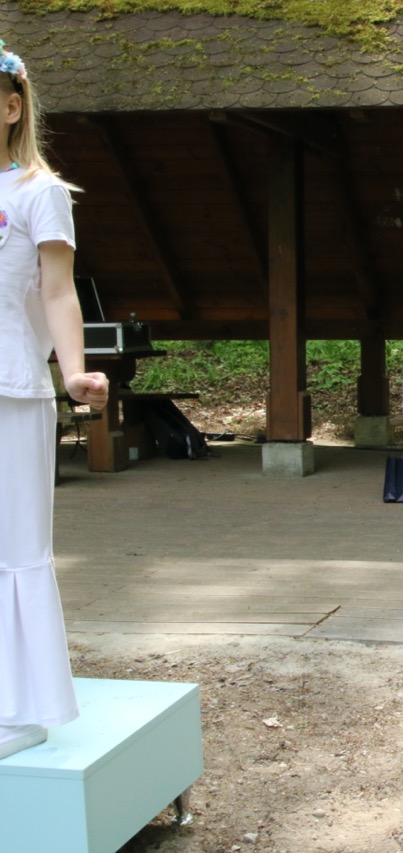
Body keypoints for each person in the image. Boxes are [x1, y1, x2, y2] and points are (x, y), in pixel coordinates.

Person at [0, 40, 108, 760]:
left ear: (12, 107)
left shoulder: (39, 192)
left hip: (10, 387)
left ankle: (19, 710)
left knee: (14, 547)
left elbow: (57, 289)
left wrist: (74, 372)